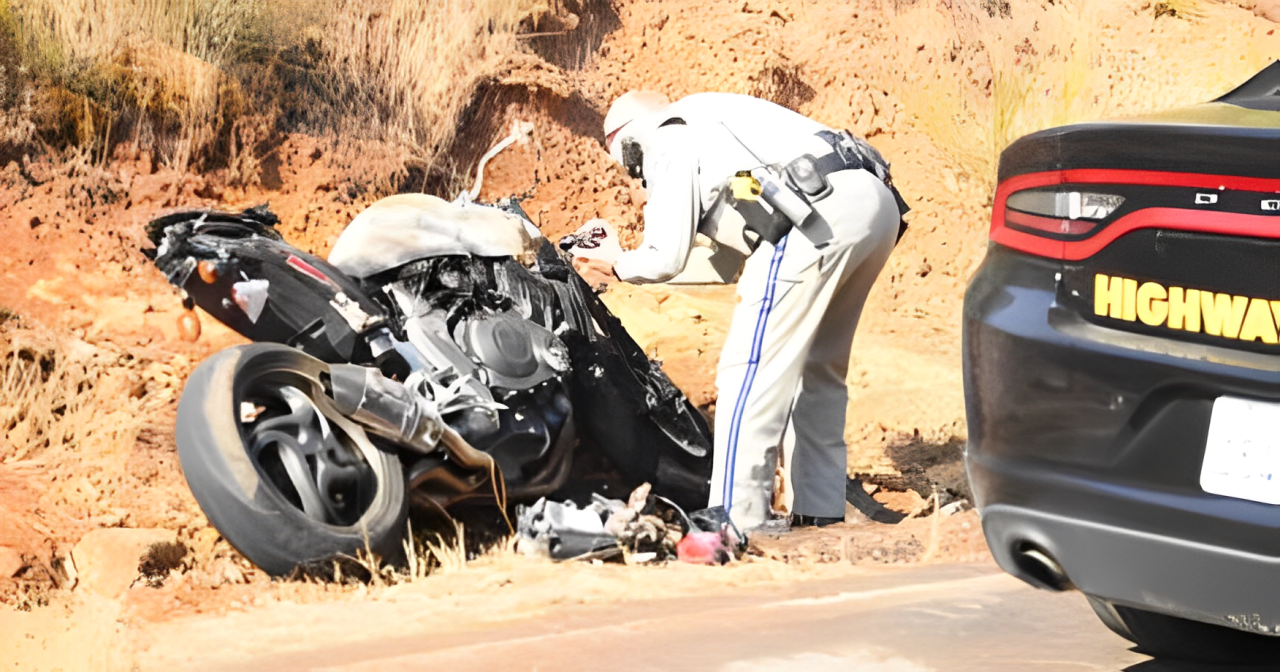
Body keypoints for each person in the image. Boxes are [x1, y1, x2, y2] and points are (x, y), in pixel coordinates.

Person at [575, 90, 908, 531]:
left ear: (625, 142)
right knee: (816, 370)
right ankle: (820, 513)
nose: (638, 187)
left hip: (811, 212)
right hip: (869, 204)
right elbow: (723, 265)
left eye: (632, 173)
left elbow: (663, 256)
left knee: (747, 367)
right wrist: (622, 270)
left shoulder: (663, 134)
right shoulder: (714, 123)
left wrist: (617, 260)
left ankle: (732, 521)